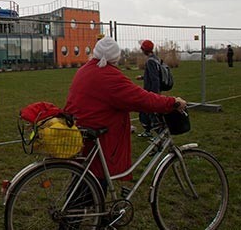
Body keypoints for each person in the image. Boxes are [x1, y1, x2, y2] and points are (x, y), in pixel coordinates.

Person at [65, 37, 186, 190]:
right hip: (100, 135)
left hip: (80, 131)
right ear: (116, 57)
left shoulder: (85, 70)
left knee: (83, 183)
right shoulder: (110, 76)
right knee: (94, 183)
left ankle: (85, 209)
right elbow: (142, 99)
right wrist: (172, 102)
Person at [136, 40, 161, 138]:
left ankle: (158, 133)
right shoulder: (155, 59)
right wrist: (143, 77)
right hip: (153, 91)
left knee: (148, 113)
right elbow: (153, 75)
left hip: (150, 92)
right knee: (148, 113)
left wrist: (153, 95)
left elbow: (155, 79)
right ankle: (149, 131)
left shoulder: (150, 61)